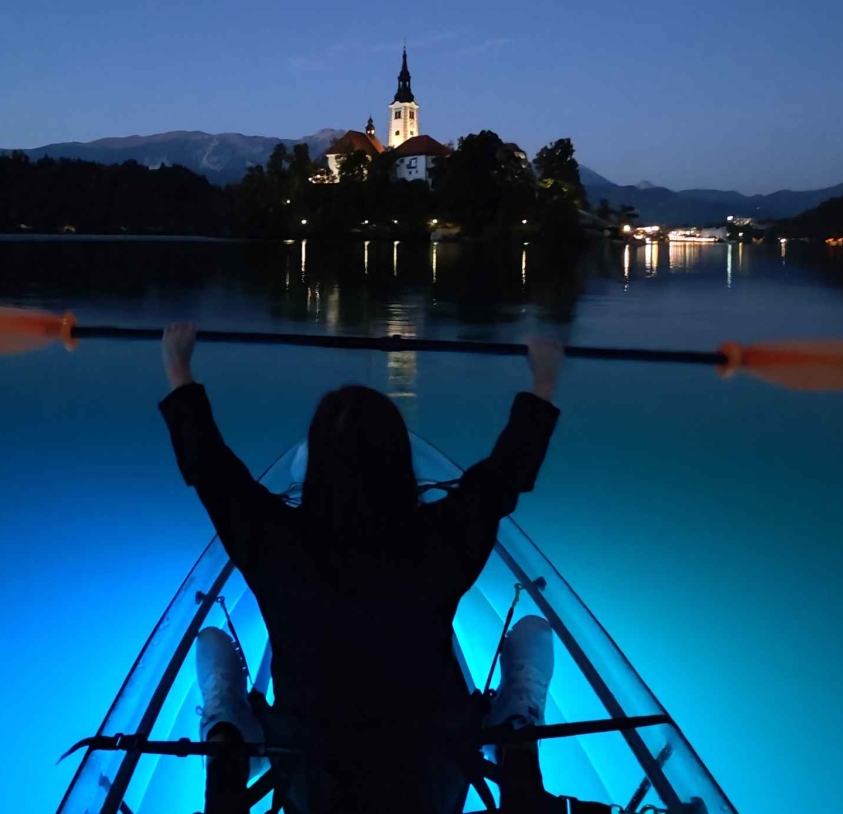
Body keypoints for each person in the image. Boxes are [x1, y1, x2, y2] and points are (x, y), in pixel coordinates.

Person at [158, 324, 564, 814]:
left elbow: (212, 472)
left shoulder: (274, 542)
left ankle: (228, 739)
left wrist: (178, 367)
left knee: (270, 711)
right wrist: (543, 381)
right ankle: (515, 733)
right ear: (401, 464)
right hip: (429, 771)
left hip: (311, 774)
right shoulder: (441, 540)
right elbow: (502, 478)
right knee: (519, 643)